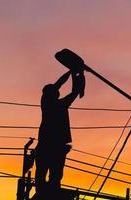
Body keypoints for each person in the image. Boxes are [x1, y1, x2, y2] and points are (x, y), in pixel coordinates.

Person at [35, 64, 85, 199]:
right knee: (54, 177)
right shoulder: (60, 105)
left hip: (46, 147)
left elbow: (59, 84)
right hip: (55, 147)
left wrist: (71, 72)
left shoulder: (45, 102)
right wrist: (75, 74)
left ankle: (45, 194)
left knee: (43, 176)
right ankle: (49, 194)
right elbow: (73, 91)